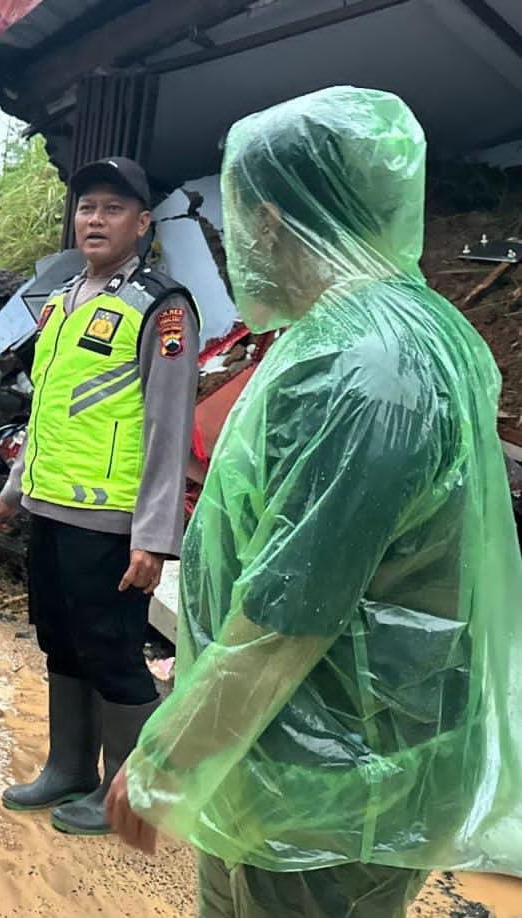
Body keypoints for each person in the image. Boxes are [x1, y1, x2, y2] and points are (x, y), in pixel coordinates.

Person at [105, 86, 522, 916]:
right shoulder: (396, 332)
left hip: (331, 772)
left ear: (267, 217)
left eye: (236, 221)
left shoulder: (366, 366)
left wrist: (167, 757)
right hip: (309, 753)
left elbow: (290, 611)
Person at [0, 155, 199, 835]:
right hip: (48, 510)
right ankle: (68, 769)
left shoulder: (160, 308)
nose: (94, 219)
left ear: (140, 222)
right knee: (61, 643)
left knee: (112, 653)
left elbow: (169, 427)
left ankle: (122, 795)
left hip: (110, 524)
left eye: (111, 208)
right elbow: (49, 409)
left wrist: (154, 537)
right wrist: (13, 492)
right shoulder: (62, 301)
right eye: (85, 207)